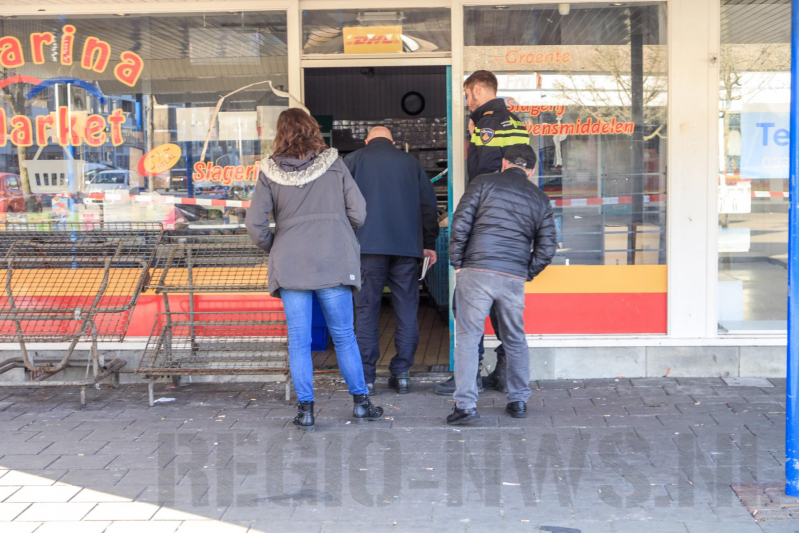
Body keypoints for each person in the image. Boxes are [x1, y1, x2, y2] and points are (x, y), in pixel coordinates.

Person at [246, 108, 383, 431]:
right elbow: (359, 212)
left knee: (299, 340)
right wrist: (337, 230)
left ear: (280, 133)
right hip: (333, 259)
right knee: (344, 336)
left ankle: (306, 411)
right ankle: (361, 403)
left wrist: (278, 245)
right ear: (311, 129)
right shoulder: (334, 164)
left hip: (291, 263)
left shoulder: (269, 172)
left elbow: (255, 226)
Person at [446, 144, 557, 425]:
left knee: (468, 338)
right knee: (514, 338)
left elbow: (460, 224)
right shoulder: (539, 198)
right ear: (531, 170)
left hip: (476, 269)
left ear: (504, 162)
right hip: (512, 276)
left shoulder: (482, 183)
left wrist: (458, 263)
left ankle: (466, 406)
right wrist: (525, 272)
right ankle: (518, 400)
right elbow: (547, 248)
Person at [435, 69, 530, 397]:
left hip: (487, 223)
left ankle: (470, 374)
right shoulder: (516, 123)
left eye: (466, 95)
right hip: (514, 226)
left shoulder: (487, 125)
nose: (466, 102)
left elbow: (482, 175)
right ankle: (505, 372)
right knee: (505, 307)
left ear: (477, 90)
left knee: (465, 303)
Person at [344, 126, 439, 395]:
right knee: (407, 311)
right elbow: (428, 206)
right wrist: (428, 243)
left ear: (367, 141)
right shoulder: (410, 163)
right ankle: (402, 373)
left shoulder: (352, 161)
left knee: (366, 312)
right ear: (393, 142)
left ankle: (367, 377)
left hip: (366, 249)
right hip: (406, 249)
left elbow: (339, 205)